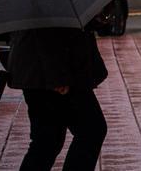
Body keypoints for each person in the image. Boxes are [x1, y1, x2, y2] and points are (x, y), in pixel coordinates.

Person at [7, 11, 110, 171]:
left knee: (48, 141)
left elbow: (77, 20)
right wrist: (58, 76)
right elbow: (44, 28)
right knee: (91, 130)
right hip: (52, 72)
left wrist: (98, 15)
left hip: (46, 70)